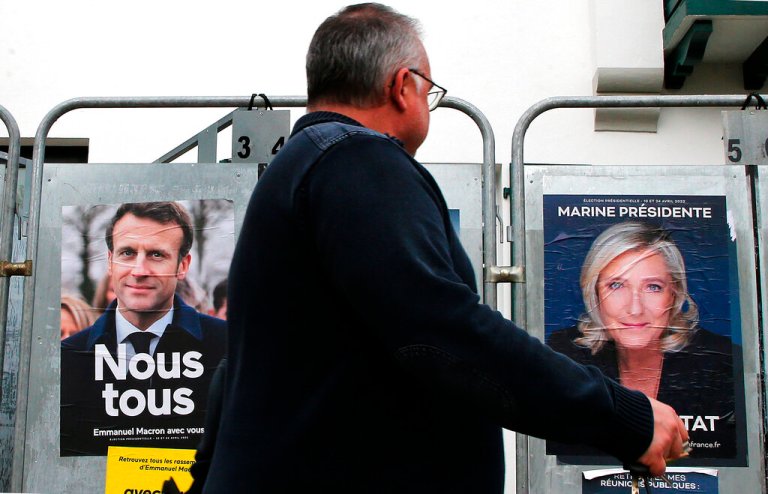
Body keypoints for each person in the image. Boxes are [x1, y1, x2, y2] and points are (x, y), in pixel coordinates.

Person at [202, 4, 688, 492]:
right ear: (402, 86)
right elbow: (442, 331)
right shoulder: (357, 160)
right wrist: (621, 416)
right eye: (428, 91)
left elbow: (236, 373)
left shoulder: (298, 172)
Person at [547, 221, 740, 459]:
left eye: (653, 287)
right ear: (594, 292)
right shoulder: (565, 354)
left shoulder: (723, 364)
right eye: (616, 285)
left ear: (675, 294)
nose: (635, 308)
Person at [60, 201, 226, 456]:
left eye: (156, 255)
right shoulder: (68, 358)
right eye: (127, 253)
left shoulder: (227, 346)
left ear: (182, 266)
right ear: (110, 261)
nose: (139, 271)